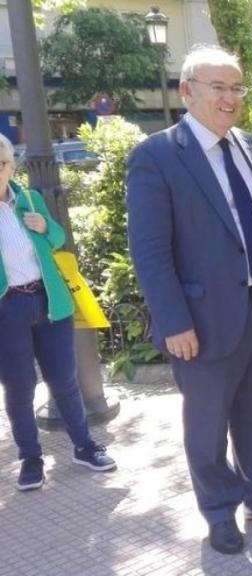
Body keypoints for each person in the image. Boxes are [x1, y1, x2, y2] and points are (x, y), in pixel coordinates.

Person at [127, 45, 252, 555]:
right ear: (188, 91)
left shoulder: (247, 144)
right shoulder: (157, 156)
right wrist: (174, 321)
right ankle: (220, 512)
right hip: (201, 320)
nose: (231, 98)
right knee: (207, 427)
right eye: (218, 87)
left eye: (237, 87)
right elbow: (151, 252)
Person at [0, 134, 116, 491]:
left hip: (49, 301)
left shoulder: (29, 199)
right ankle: (31, 458)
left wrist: (45, 226)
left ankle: (84, 446)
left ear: (12, 166)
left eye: (1, 163)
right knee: (20, 386)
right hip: (7, 308)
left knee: (64, 379)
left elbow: (57, 239)